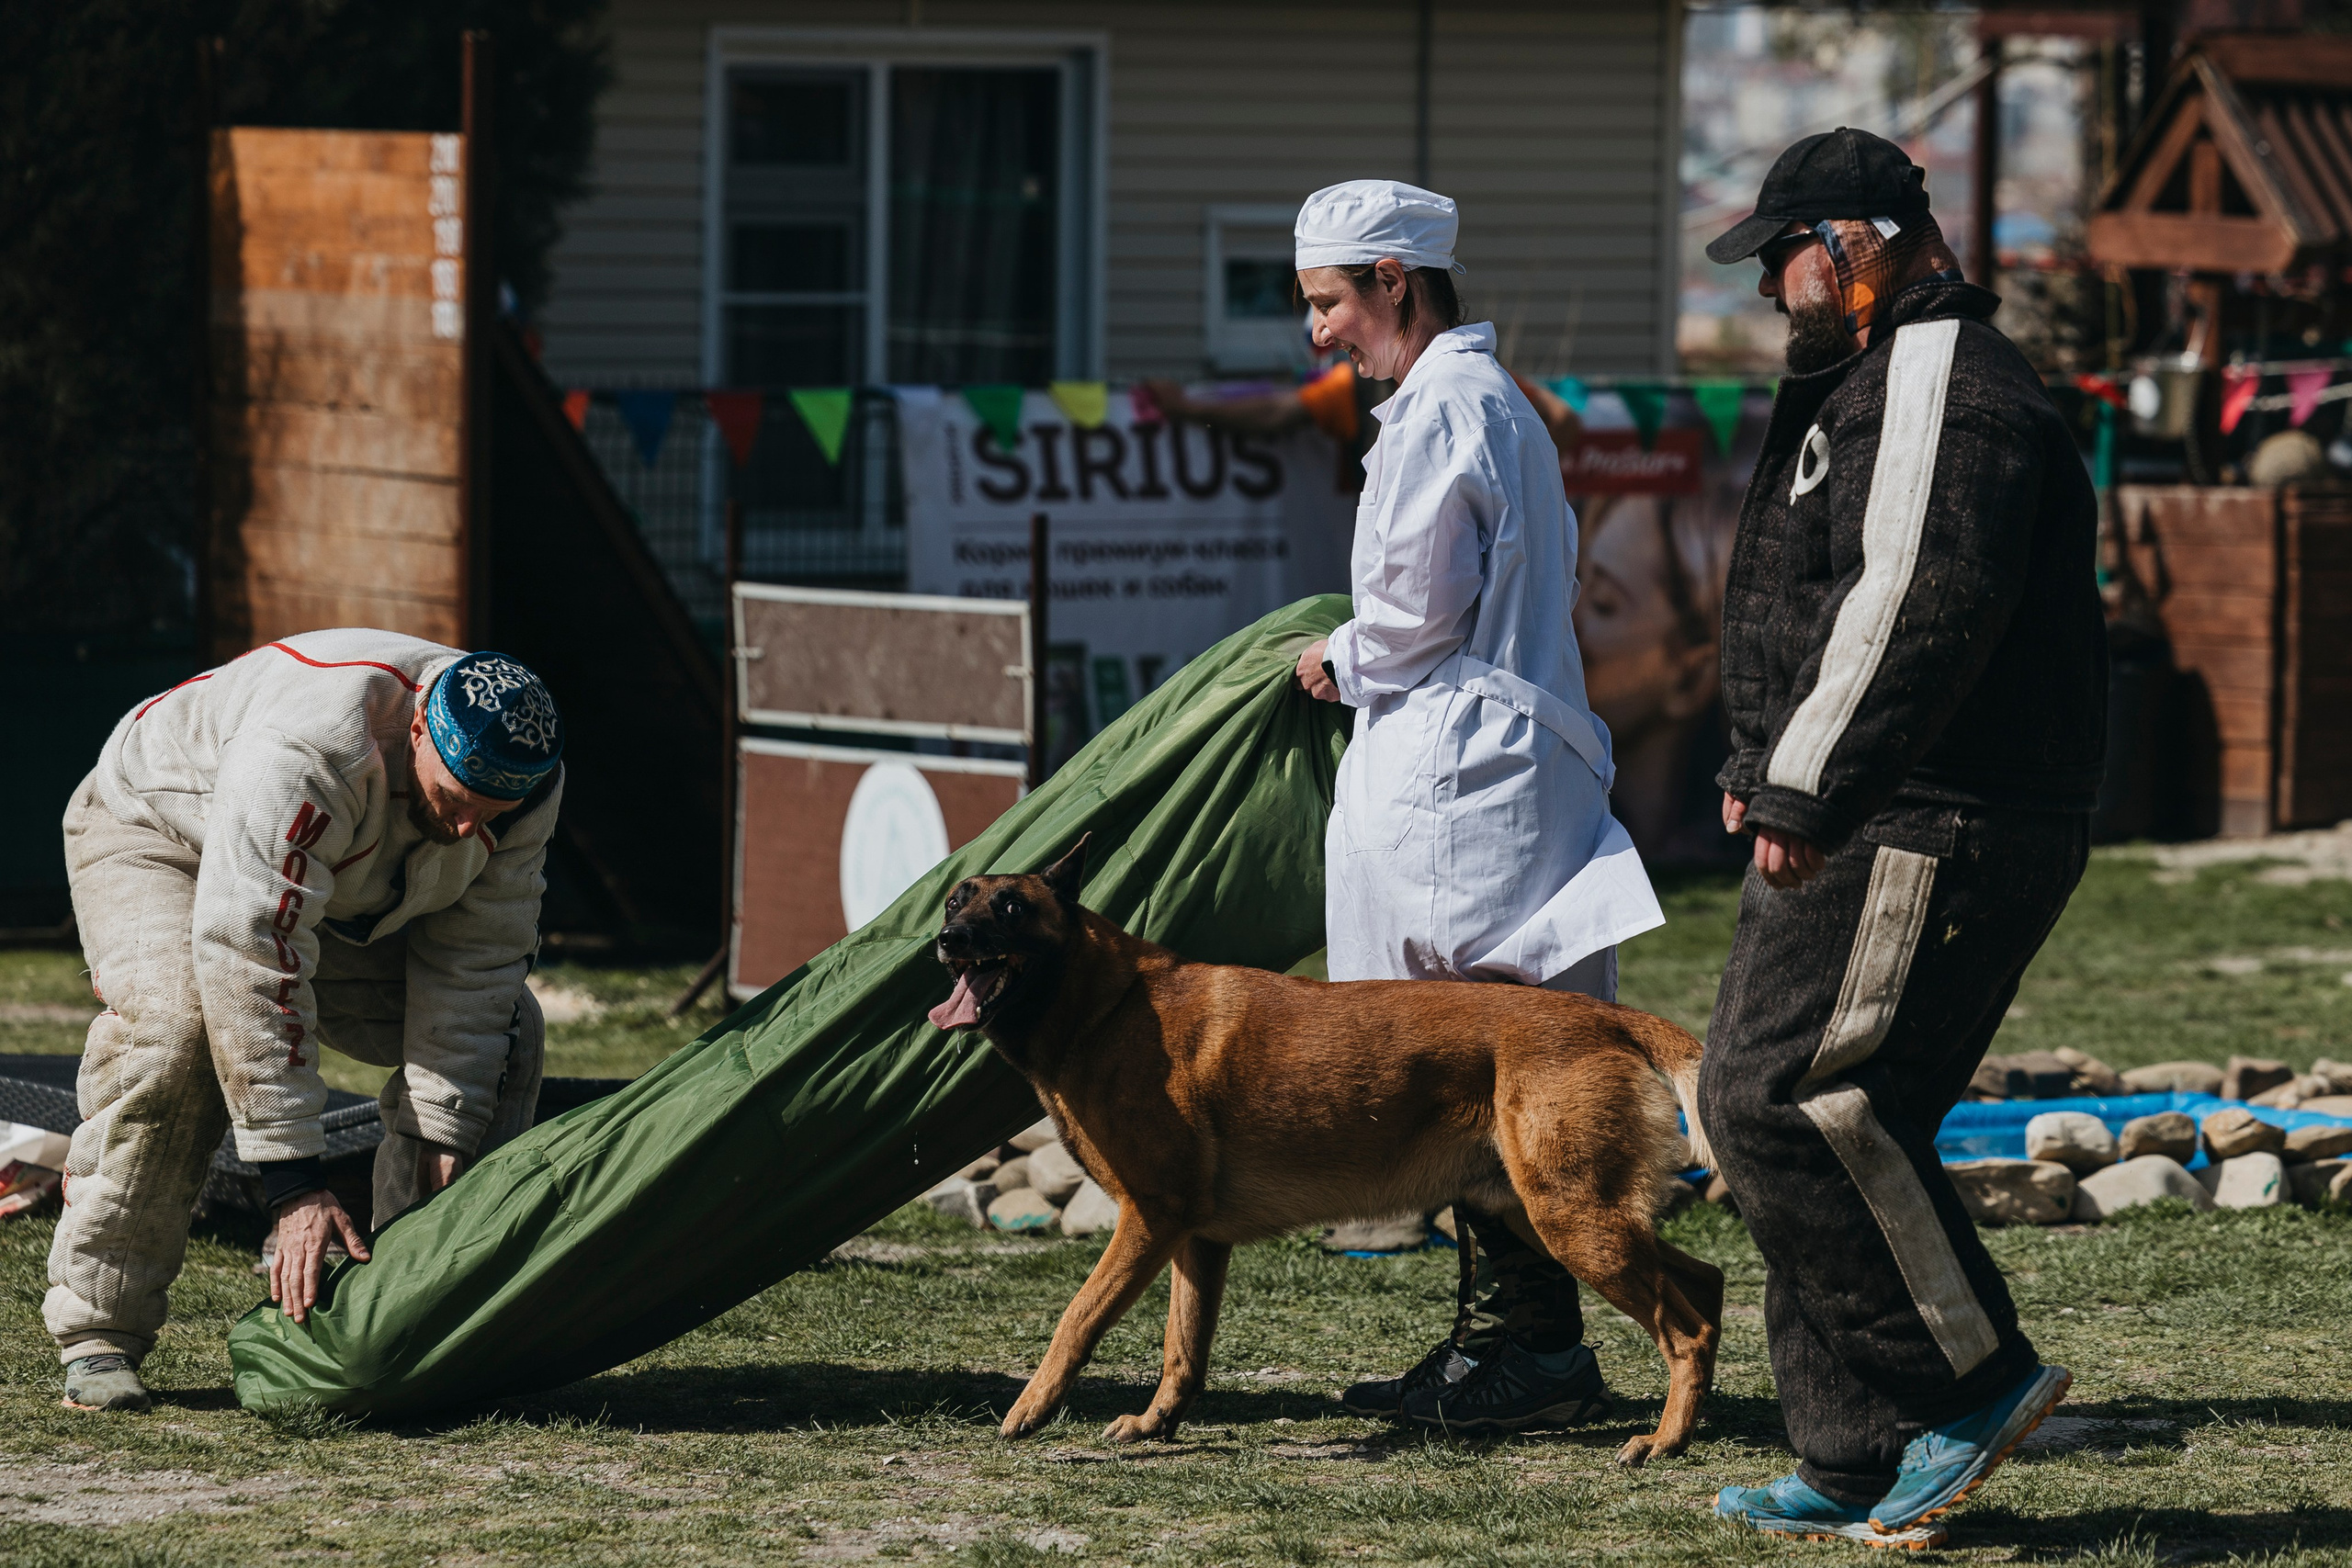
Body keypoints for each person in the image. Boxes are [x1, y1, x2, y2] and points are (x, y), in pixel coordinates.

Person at [1697, 130, 2106, 1547]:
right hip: (1890, 797)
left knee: (1785, 1097)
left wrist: (1810, 782)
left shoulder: (1941, 378)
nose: (1770, 287)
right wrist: (1764, 762)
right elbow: (1811, 592)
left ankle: (1970, 1381)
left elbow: (1915, 599)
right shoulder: (1875, 375)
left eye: (1784, 255)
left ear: (1859, 240)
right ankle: (1859, 1448)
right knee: (1815, 1104)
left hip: (1935, 806)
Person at [1287, 178, 1664, 1434]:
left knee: (1480, 1064)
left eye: (1330, 302)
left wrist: (1334, 657)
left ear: (1396, 279)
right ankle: (1510, 1339)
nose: (1318, 332)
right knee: (1485, 1066)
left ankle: (1532, 1347)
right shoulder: (1486, 403)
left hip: (1466, 773)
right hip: (1495, 761)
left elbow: (1408, 614)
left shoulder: (1446, 408)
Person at [49, 631, 566, 1413]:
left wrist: (445, 1128)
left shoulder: (525, 783)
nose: (467, 832)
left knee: (509, 1036)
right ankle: (99, 1332)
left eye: (488, 815)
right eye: (456, 802)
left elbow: (478, 962)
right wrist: (293, 1185)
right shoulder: (311, 746)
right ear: (418, 727)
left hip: (333, 881)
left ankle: (413, 1320)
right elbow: (251, 954)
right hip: (157, 834)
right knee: (180, 1028)